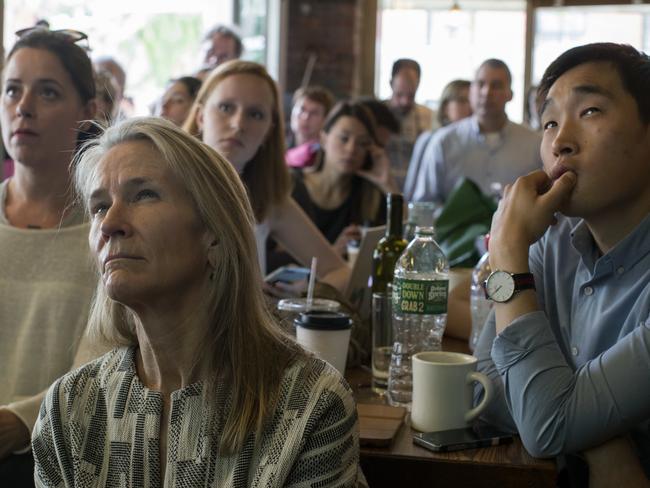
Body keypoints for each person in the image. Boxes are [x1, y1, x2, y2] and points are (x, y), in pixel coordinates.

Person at [31, 117, 365, 486]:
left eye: (143, 194)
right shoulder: (69, 409)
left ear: (215, 236)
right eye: (98, 206)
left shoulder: (310, 405)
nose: (109, 223)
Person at [474, 43, 650, 483]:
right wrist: (597, 434)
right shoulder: (554, 245)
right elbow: (482, 385)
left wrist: (507, 256)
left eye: (589, 111)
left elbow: (545, 425)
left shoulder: (528, 248)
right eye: (549, 122)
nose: (559, 142)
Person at [0, 28, 98, 485]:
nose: (23, 106)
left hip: (62, 460)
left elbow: (110, 362)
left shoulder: (108, 232)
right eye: (12, 89)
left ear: (86, 114)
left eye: (49, 92)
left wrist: (20, 419)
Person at [183, 60, 349, 290]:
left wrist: (289, 306)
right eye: (226, 108)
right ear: (201, 117)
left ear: (269, 130)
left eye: (255, 114)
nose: (238, 123)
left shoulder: (266, 198)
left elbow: (338, 271)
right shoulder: (165, 186)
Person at [411, 59, 541, 204]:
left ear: (510, 94)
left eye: (496, 86)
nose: (487, 92)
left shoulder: (534, 145)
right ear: (471, 91)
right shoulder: (444, 142)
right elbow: (423, 204)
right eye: (480, 84)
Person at [292, 100, 399, 257]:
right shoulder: (292, 185)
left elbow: (406, 241)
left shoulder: (368, 197)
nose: (351, 149)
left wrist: (388, 183)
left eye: (362, 143)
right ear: (323, 139)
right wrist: (331, 255)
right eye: (343, 138)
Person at [403, 79, 471, 201]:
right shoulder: (429, 139)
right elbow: (412, 191)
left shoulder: (475, 143)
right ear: (445, 107)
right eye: (462, 101)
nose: (470, 107)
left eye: (472, 100)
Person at [384, 58, 436, 189]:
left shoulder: (429, 117)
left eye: (411, 96)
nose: (405, 102)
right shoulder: (376, 113)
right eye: (399, 95)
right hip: (382, 187)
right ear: (391, 84)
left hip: (415, 189)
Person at [285, 85, 335, 168]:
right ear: (292, 111)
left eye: (314, 113)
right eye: (302, 109)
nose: (306, 117)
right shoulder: (280, 144)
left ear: (325, 120)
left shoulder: (327, 154)